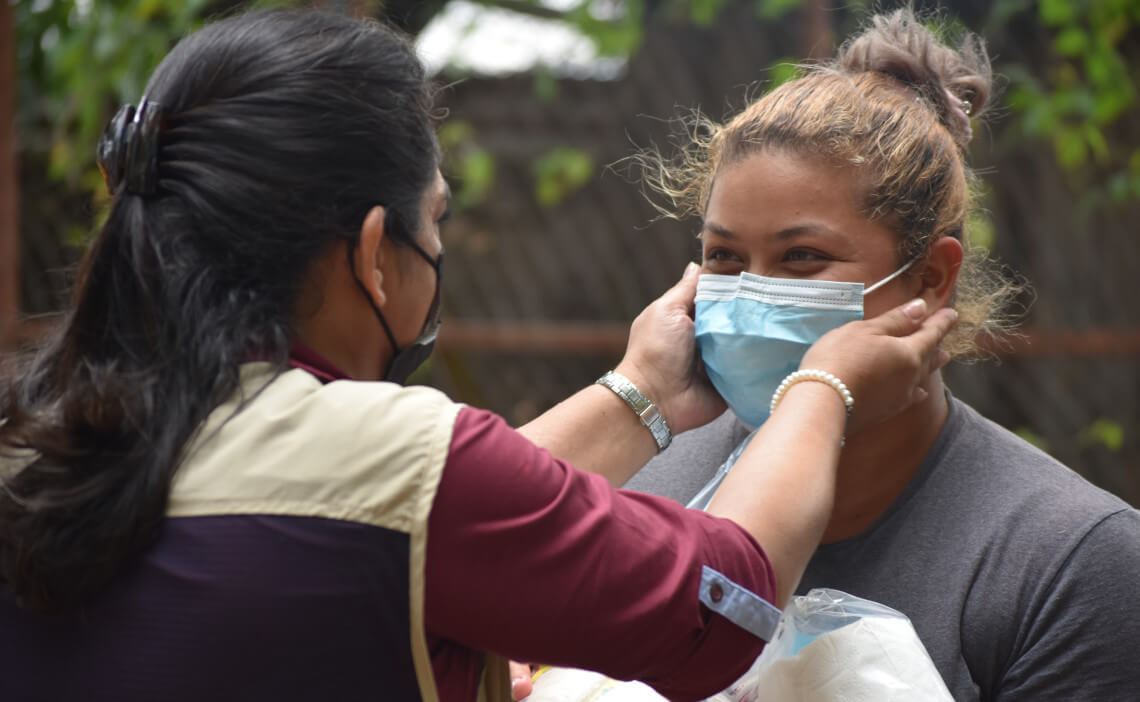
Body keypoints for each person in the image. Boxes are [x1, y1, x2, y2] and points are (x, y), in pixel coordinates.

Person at [0, 9, 958, 702]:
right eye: (436, 222)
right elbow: (728, 606)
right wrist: (824, 386)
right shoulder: (388, 452)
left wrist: (644, 393)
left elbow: (438, 518)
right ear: (377, 255)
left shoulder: (37, 444)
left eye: (799, 260)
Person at [622, 7, 1140, 701]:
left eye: (801, 258)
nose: (749, 295)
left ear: (931, 277)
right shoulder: (642, 492)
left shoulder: (1069, 561)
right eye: (723, 257)